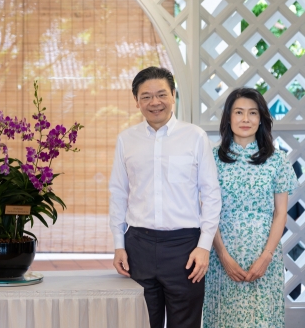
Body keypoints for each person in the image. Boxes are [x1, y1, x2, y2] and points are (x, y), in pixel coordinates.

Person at [109, 66, 222, 328]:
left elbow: (212, 195)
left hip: (185, 248)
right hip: (138, 245)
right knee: (141, 323)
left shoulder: (195, 137)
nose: (154, 102)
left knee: (185, 324)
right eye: (146, 96)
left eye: (161, 94)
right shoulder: (127, 140)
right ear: (136, 101)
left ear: (173, 95)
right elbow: (118, 192)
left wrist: (204, 247)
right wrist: (118, 244)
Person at [203, 88, 296, 327]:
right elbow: (206, 212)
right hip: (222, 255)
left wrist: (266, 257)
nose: (246, 119)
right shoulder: (211, 159)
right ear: (228, 118)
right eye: (239, 112)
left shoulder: (277, 160)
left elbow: (280, 213)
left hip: (264, 256)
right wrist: (223, 256)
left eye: (253, 113)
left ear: (262, 118)